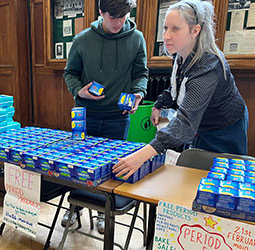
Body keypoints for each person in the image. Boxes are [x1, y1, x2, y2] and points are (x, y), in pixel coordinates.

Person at [113, 0, 248, 179]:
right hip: (201, 126)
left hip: (224, 128)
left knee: (222, 177)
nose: (167, 36)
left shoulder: (208, 64)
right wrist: (159, 104)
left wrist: (141, 156)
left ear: (195, 31)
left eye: (175, 29)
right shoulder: (180, 52)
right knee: (195, 175)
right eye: (165, 28)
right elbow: (178, 85)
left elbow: (186, 123)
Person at [63, 0, 148, 233]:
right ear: (101, 13)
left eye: (124, 17)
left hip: (117, 117)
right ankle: (73, 209)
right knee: (77, 164)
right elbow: (70, 73)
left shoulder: (137, 38)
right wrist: (79, 90)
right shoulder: (82, 40)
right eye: (113, 17)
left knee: (111, 169)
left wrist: (138, 94)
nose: (119, 22)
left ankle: (103, 211)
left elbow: (141, 73)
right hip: (85, 115)